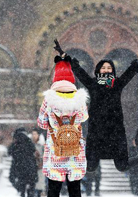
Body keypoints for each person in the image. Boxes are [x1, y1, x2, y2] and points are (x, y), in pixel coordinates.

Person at [53, 39, 138, 172]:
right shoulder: (92, 84)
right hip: (96, 130)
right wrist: (64, 55)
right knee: (90, 167)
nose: (106, 70)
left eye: (109, 68)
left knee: (122, 166)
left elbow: (131, 71)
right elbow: (78, 71)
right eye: (104, 68)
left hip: (115, 130)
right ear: (99, 70)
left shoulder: (117, 83)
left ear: (113, 71)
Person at [37, 55, 89, 197]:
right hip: (74, 151)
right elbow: (84, 117)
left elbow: (41, 123)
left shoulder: (49, 100)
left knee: (53, 190)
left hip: (56, 152)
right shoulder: (80, 99)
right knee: (75, 189)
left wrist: (53, 123)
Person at [9, 129, 37, 197]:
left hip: (20, 169)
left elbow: (11, 153)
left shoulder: (16, 144)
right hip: (30, 168)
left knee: (22, 188)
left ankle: (22, 193)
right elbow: (33, 151)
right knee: (31, 188)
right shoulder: (29, 142)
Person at [30, 128, 46, 197]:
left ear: (38, 135)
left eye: (35, 134)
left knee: (40, 185)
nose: (34, 136)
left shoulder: (42, 145)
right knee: (32, 186)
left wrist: (41, 162)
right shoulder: (30, 144)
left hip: (40, 167)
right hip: (31, 166)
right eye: (33, 134)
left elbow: (45, 155)